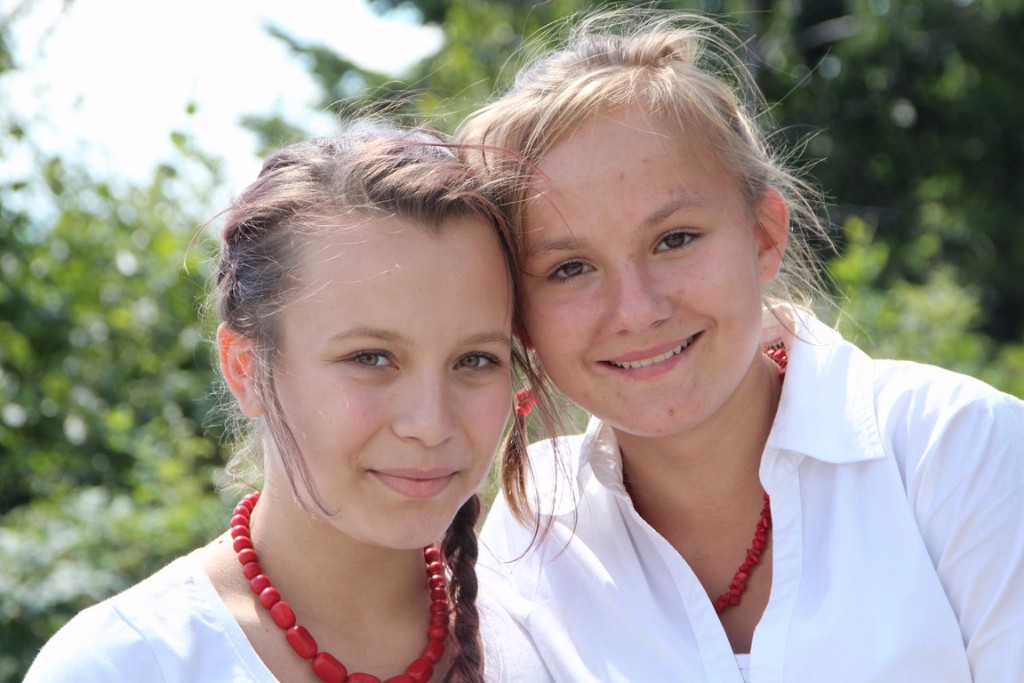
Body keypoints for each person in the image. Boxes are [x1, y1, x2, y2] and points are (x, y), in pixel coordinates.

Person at [459, 9, 1024, 683]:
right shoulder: (533, 530)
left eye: (674, 239)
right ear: (519, 317)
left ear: (762, 236)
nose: (636, 311)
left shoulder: (958, 449)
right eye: (569, 268)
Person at [24, 123, 550, 682]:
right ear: (246, 368)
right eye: (371, 358)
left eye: (475, 360)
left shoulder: (551, 638)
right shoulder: (127, 664)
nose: (430, 423)